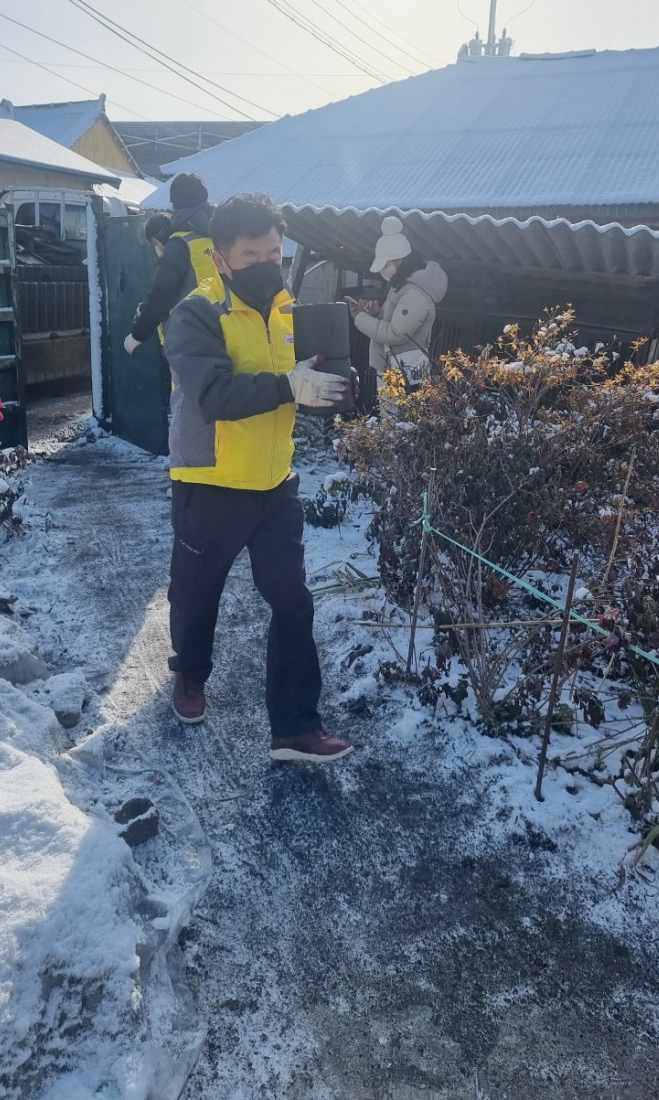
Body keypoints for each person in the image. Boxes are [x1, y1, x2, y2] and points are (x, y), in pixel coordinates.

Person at [163, 192, 354, 763]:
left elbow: (304, 375)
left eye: (275, 251)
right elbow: (215, 395)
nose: (267, 263)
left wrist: (333, 392)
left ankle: (295, 728)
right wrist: (288, 387)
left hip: (275, 482)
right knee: (198, 597)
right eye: (251, 256)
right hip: (212, 481)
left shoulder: (287, 308)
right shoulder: (194, 314)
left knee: (293, 601)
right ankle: (190, 674)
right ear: (220, 259)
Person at [347, 215, 448, 394]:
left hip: (404, 374)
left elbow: (395, 334)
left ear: (399, 261)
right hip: (395, 370)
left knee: (400, 420)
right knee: (393, 420)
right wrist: (378, 313)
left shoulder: (415, 295)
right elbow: (393, 322)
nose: (381, 271)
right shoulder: (402, 287)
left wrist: (359, 317)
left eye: (384, 264)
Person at [124, 172, 219, 354]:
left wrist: (137, 336)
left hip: (188, 337)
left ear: (176, 204)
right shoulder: (221, 235)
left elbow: (162, 294)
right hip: (222, 330)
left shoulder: (179, 243)